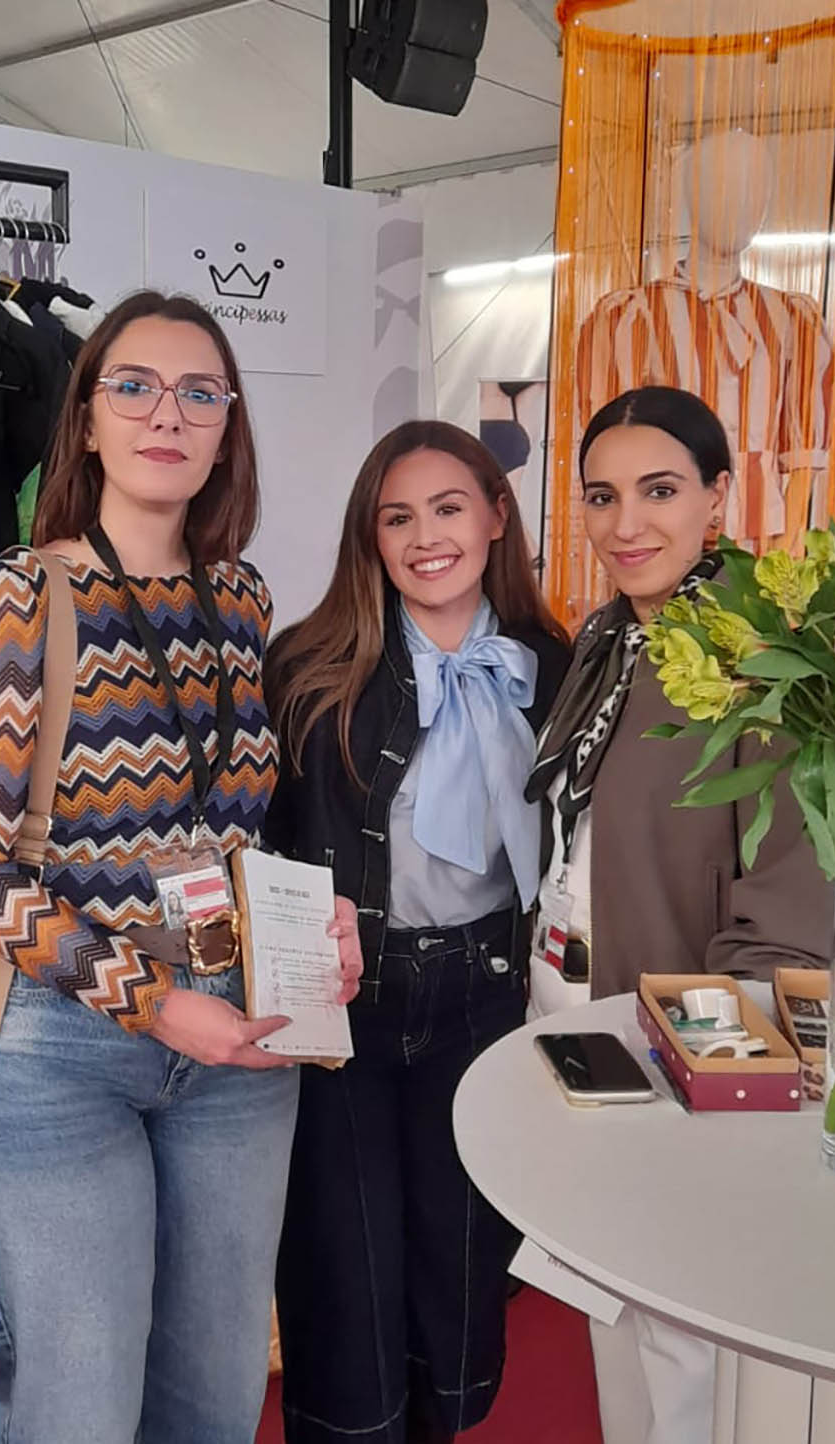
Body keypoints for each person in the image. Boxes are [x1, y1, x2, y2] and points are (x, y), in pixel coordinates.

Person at [0, 289, 362, 1444]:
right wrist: (155, 1004)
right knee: (79, 1404)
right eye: (135, 386)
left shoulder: (240, 599)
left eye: (199, 393)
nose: (168, 413)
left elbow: (229, 829)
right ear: (87, 418)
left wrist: (312, 925)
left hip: (234, 1028)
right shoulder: (7, 599)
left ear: (226, 428)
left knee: (214, 1391)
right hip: (54, 1043)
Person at [526, 385, 832, 1444]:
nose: (626, 524)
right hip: (576, 1013)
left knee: (692, 1339)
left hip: (679, 1040)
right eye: (601, 496)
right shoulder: (606, 638)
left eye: (659, 491)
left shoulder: (770, 657)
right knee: (617, 1300)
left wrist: (714, 1063)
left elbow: (791, 902)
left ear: (718, 495)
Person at [264, 420, 570, 1443]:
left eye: (448, 509)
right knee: (343, 1268)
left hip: (486, 1001)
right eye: (398, 518)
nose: (426, 537)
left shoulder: (551, 664)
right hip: (348, 1009)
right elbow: (267, 842)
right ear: (372, 536)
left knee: (460, 1265)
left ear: (496, 517)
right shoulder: (312, 665)